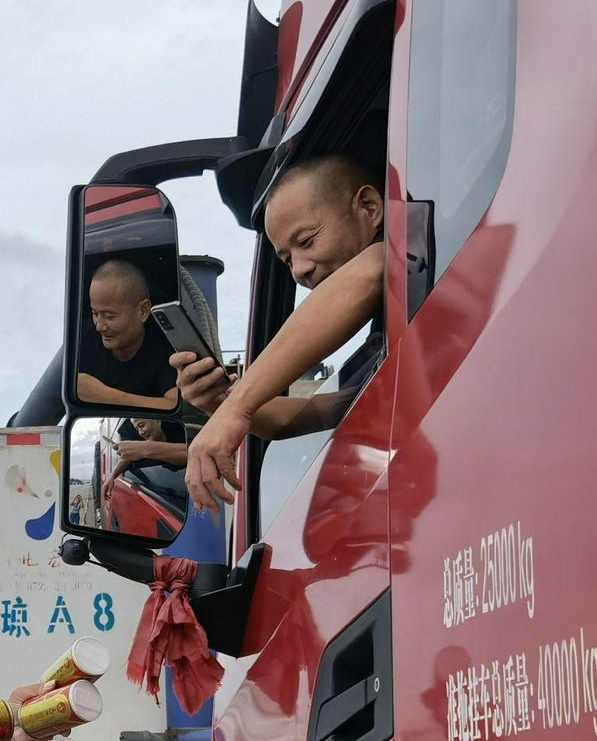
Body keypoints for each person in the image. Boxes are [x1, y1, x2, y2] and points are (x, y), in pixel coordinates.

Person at [177, 152, 388, 511]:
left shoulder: (417, 254)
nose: (300, 269)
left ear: (368, 207)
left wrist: (238, 406)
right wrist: (220, 402)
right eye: (287, 259)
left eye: (306, 240)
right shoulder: (385, 338)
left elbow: (374, 266)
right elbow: (309, 415)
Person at [74, 256, 181, 413]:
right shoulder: (81, 341)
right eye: (95, 313)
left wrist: (104, 396)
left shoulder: (166, 345)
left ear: (143, 311)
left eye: (110, 316)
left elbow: (176, 405)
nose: (99, 326)